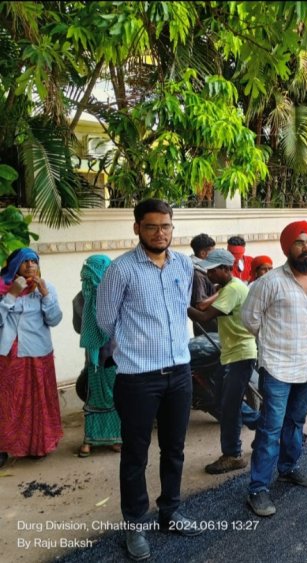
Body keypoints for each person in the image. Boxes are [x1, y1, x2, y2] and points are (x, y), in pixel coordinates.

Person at [96, 199, 202, 561]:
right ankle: (136, 524)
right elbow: (106, 321)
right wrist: (135, 346)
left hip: (179, 373)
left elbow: (179, 308)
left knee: (174, 449)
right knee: (135, 455)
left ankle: (170, 511)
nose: (160, 233)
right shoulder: (120, 270)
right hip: (138, 377)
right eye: (152, 226)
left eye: (166, 226)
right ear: (137, 227)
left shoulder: (183, 264)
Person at [241, 221, 307, 517]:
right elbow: (249, 319)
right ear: (287, 247)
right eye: (300, 242)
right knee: (270, 428)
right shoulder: (269, 282)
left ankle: (289, 468)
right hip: (277, 367)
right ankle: (258, 489)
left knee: (296, 423)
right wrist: (271, 344)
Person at [188, 248, 260, 475]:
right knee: (221, 400)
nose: (208, 274)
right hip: (229, 353)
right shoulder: (226, 287)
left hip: (240, 353)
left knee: (229, 407)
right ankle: (268, 428)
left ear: (225, 269)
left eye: (212, 270)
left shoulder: (233, 289)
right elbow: (202, 306)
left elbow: (204, 316)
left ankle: (233, 455)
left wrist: (178, 303)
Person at [0, 248, 63, 468]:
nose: (30, 265)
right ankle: (3, 447)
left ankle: (39, 444)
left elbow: (55, 320)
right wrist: (10, 295)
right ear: (14, 265)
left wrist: (45, 295)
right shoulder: (2, 288)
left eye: (33, 261)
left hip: (38, 352)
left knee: (38, 401)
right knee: (7, 402)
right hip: (9, 354)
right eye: (24, 261)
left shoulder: (46, 288)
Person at [77, 255, 122, 458]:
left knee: (110, 396)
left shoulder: (114, 295)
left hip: (108, 356)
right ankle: (92, 439)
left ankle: (113, 438)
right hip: (99, 357)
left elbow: (79, 327)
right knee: (98, 397)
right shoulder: (83, 298)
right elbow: (80, 327)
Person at [189, 233, 219, 334]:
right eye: (212, 252)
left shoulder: (204, 270)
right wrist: (222, 291)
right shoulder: (198, 274)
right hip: (206, 327)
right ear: (203, 253)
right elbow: (200, 305)